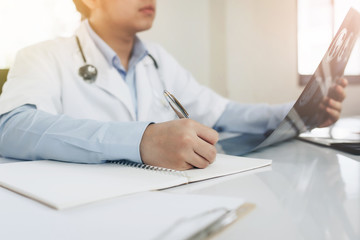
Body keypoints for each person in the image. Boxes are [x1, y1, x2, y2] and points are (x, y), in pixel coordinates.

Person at [0, 0, 347, 170]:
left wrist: (301, 111)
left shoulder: (158, 59)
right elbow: (10, 127)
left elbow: (222, 112)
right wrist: (141, 140)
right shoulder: (43, 56)